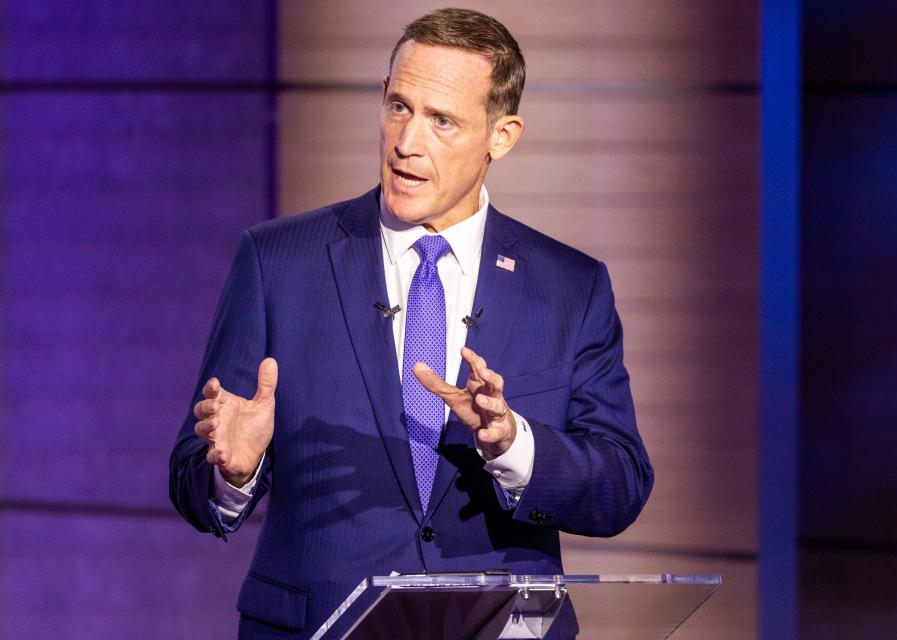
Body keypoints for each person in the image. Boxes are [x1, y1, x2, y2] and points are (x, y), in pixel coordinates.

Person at [169, 8, 653, 639]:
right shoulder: (278, 261)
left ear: (501, 136)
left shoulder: (569, 287)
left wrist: (514, 445)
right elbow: (192, 478)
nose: (406, 142)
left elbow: (619, 485)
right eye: (399, 106)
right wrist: (233, 473)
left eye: (441, 120)